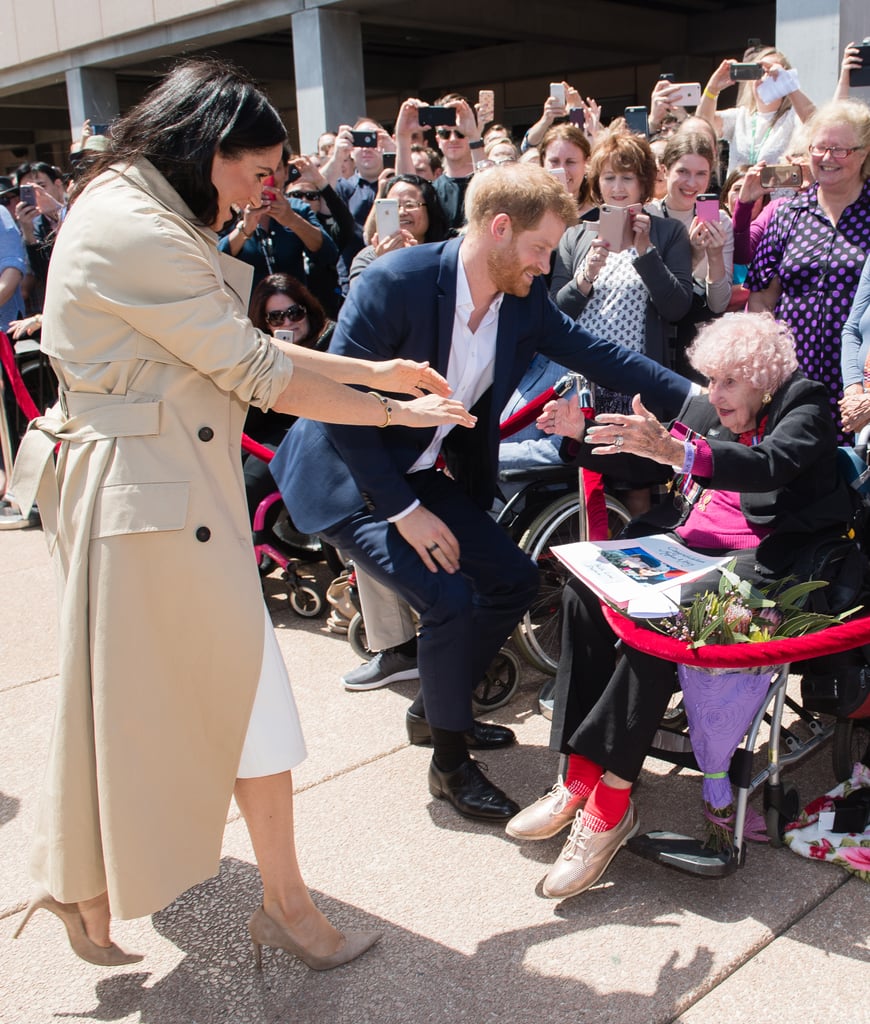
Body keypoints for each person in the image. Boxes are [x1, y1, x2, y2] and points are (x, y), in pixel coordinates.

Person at [8, 59, 474, 972]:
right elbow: (257, 372)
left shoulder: (138, 212)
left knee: (158, 708)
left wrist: (372, 376)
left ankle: (115, 889)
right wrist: (393, 410)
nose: (266, 190)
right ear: (206, 147)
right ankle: (266, 905)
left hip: (163, 496)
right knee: (207, 705)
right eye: (257, 170)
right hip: (151, 504)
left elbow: (243, 350)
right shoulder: (134, 224)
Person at [270, 162, 695, 826]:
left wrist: (702, 402)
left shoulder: (521, 298)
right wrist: (406, 513)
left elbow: (601, 355)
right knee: (447, 597)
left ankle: (436, 706)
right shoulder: (395, 282)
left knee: (513, 580)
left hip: (418, 465)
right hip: (350, 472)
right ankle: (450, 765)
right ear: (500, 230)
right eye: (539, 249)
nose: (546, 265)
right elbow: (339, 407)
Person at [507, 312, 853, 899]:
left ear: (763, 379)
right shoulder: (706, 407)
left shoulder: (805, 402)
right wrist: (577, 432)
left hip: (772, 566)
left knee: (659, 624)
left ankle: (609, 802)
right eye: (710, 380)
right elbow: (647, 460)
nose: (713, 395)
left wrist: (686, 454)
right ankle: (575, 777)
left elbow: (772, 463)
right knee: (582, 597)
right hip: (686, 551)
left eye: (728, 384)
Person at [550, 127, 693, 515]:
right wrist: (586, 275)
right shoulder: (576, 235)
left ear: (644, 183)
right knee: (586, 475)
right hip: (584, 378)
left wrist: (646, 253)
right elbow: (555, 313)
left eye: (627, 177)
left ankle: (637, 559)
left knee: (637, 480)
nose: (617, 187)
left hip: (636, 380)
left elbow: (678, 307)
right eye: (609, 177)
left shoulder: (668, 232)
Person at [748, 99, 870, 437]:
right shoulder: (788, 214)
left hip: (858, 384)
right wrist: (767, 363)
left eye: (840, 150)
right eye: (819, 148)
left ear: (863, 153)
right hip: (794, 379)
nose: (827, 158)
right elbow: (761, 299)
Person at [652, 131, 734, 378]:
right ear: (664, 170)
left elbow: (718, 303)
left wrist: (715, 255)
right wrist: (692, 255)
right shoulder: (648, 217)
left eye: (701, 174)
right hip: (655, 340)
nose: (691, 183)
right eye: (683, 172)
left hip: (698, 346)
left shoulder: (720, 221)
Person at [218, 156, 338, 291]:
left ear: (286, 173)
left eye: (275, 169)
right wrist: (244, 230)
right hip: (247, 308)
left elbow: (329, 254)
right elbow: (215, 260)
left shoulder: (297, 209)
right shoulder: (229, 212)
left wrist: (292, 220)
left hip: (293, 307)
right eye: (260, 170)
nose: (268, 177)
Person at [697, 44, 816, 178]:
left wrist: (789, 86)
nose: (765, 78)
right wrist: (712, 89)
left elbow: (818, 125)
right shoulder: (740, 117)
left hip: (776, 197)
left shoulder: (792, 117)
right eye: (760, 72)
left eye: (773, 73)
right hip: (739, 196)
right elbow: (702, 127)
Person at [349, 174, 449, 284]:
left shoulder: (446, 255)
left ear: (430, 210)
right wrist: (384, 263)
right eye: (393, 206)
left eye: (410, 205)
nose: (401, 212)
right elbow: (362, 297)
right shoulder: (368, 258)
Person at [538, 123, 594, 219]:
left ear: (586, 164)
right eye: (554, 161)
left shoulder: (599, 220)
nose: (562, 169)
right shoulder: (528, 216)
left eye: (570, 162)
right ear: (543, 162)